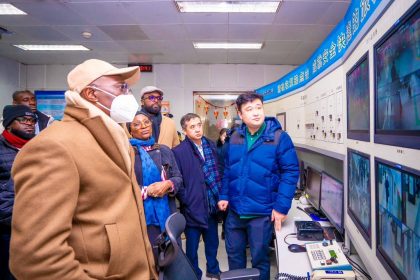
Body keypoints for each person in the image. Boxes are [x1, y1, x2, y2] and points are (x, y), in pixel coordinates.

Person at [10, 59, 157, 280]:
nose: (128, 95)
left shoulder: (115, 138)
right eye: (121, 87)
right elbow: (37, 257)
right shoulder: (54, 146)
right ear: (91, 94)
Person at [218, 92, 299, 280]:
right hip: (235, 212)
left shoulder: (279, 138)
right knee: (234, 259)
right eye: (249, 109)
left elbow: (291, 172)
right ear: (240, 114)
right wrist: (223, 195)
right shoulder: (235, 137)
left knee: (260, 261)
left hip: (261, 214)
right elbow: (229, 170)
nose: (255, 113)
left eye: (258, 107)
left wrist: (281, 207)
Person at [128, 111, 182, 261]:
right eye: (136, 124)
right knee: (149, 257)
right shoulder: (127, 152)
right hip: (141, 214)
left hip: (167, 212)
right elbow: (122, 185)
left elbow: (178, 177)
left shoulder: (164, 149)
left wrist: (168, 184)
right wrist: (146, 191)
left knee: (171, 256)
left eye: (146, 122)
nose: (143, 126)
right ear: (130, 130)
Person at [172, 113, 222, 279]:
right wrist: (187, 200)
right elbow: (178, 182)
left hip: (211, 204)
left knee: (212, 243)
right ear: (185, 131)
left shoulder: (212, 146)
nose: (197, 129)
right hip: (192, 208)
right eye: (192, 127)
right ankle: (194, 274)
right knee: (192, 248)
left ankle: (213, 270)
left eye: (198, 125)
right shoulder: (178, 152)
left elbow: (218, 173)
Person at [0, 105, 37, 280]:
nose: (29, 124)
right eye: (23, 120)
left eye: (32, 120)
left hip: (38, 224)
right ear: (8, 124)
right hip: (8, 226)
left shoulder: (39, 147)